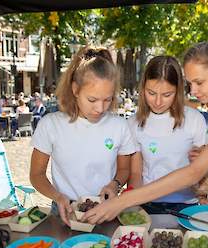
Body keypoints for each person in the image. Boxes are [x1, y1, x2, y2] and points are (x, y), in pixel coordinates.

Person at [82, 39, 208, 224]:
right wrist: (204, 194)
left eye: (199, 82)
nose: (193, 91)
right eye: (190, 83)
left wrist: (121, 201)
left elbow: (194, 172)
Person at [30, 46, 136, 226]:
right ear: (75, 89)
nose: (100, 108)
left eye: (108, 99)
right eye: (92, 100)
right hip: (65, 211)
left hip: (106, 210)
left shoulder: (120, 125)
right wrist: (58, 196)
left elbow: (124, 170)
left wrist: (115, 184)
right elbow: (36, 174)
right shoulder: (50, 124)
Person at [128, 56, 207, 214]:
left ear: (178, 91)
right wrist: (131, 204)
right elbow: (136, 174)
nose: (158, 102)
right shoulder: (133, 123)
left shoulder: (194, 119)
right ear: (143, 88)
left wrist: (204, 195)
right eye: (151, 93)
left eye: (166, 95)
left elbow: (201, 170)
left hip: (187, 206)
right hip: (147, 205)